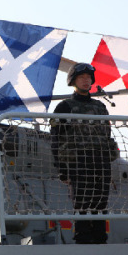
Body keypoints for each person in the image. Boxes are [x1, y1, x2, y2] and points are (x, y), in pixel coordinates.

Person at [51, 63, 114, 244]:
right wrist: (62, 168)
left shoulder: (100, 107)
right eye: (82, 78)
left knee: (101, 201)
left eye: (88, 78)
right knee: (82, 201)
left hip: (100, 161)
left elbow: (107, 135)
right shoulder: (64, 107)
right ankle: (83, 238)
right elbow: (56, 138)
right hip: (78, 161)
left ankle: (100, 238)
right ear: (73, 81)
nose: (86, 81)